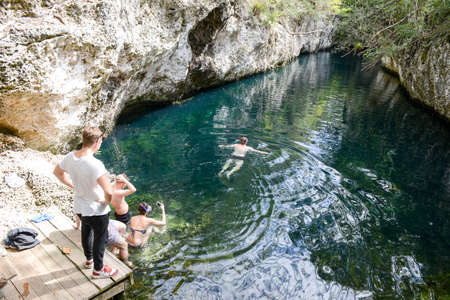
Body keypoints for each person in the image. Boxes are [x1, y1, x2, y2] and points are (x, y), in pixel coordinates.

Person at [53, 127, 118, 279]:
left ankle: (89, 261)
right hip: (96, 209)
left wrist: (73, 186)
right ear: (98, 142)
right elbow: (108, 192)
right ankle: (98, 270)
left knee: (86, 232)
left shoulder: (70, 157)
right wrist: (106, 201)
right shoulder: (95, 164)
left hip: (80, 206)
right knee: (100, 238)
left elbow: (57, 173)